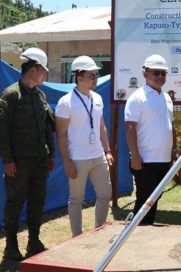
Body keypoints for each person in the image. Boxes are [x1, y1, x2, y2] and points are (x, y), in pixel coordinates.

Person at [0, 48, 55, 260]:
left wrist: (51, 154)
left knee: (37, 200)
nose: (44, 74)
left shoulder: (39, 95)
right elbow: (2, 130)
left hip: (40, 161)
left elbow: (47, 126)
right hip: (19, 163)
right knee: (14, 202)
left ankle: (34, 242)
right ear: (33, 69)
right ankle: (11, 247)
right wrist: (8, 160)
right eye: (43, 70)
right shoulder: (11, 94)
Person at [55, 56, 113, 237]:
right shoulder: (66, 102)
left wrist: (108, 150)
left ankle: (99, 230)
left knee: (105, 194)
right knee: (76, 199)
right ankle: (77, 237)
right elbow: (61, 134)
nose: (95, 78)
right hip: (78, 158)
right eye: (91, 75)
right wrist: (66, 162)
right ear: (79, 77)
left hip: (98, 156)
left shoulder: (97, 98)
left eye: (96, 75)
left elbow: (101, 125)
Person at [125, 54, 176, 225]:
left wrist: (173, 152)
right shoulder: (137, 97)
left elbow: (171, 126)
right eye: (156, 73)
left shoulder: (166, 97)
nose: (160, 77)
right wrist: (135, 155)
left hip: (163, 159)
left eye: (163, 73)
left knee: (155, 197)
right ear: (145, 73)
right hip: (145, 159)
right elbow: (130, 128)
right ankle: (136, 231)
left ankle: (147, 230)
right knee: (144, 199)